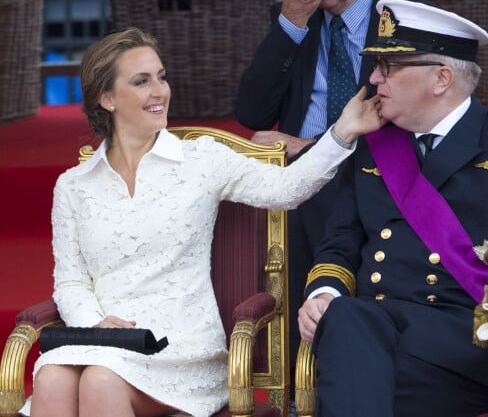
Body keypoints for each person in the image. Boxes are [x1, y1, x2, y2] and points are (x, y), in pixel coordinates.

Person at [21, 27, 384, 417]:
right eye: (141, 81)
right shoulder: (73, 185)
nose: (159, 91)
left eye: (161, 77)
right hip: (101, 338)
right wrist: (94, 323)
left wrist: (342, 131)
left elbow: (288, 188)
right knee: (53, 377)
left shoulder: (201, 160)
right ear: (107, 98)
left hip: (181, 344)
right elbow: (71, 280)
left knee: (99, 378)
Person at [297, 0, 488, 417]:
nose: (374, 78)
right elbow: (340, 243)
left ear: (441, 78)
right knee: (349, 327)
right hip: (373, 334)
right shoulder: (373, 145)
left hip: (468, 341)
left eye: (388, 67)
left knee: (348, 365)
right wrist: (324, 293)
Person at [235, 0, 427, 369]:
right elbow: (252, 113)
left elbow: (412, 118)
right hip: (300, 181)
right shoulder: (295, 17)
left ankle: (339, 367)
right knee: (280, 197)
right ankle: (292, 375)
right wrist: (291, 23)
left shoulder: (402, 13)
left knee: (315, 198)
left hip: (379, 170)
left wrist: (312, 147)